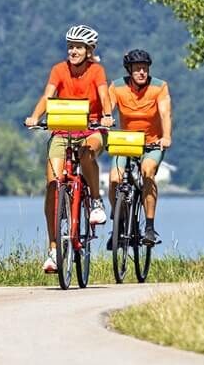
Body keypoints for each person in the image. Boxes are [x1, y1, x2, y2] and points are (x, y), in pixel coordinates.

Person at [24, 24, 115, 274]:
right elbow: (48, 95)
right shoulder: (58, 70)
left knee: (87, 153)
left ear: (89, 50)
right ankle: (54, 250)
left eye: (79, 47)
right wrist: (34, 116)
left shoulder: (97, 70)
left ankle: (95, 201)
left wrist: (107, 115)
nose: (74, 51)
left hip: (91, 129)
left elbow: (104, 94)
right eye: (71, 46)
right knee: (53, 185)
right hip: (62, 130)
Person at [108, 48, 171, 245]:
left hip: (152, 142)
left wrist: (166, 136)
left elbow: (165, 113)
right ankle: (120, 220)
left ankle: (150, 228)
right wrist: (106, 118)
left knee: (147, 171)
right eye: (137, 69)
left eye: (145, 68)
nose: (142, 72)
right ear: (129, 70)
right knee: (114, 179)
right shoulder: (117, 87)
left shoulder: (159, 87)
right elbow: (107, 109)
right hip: (126, 143)